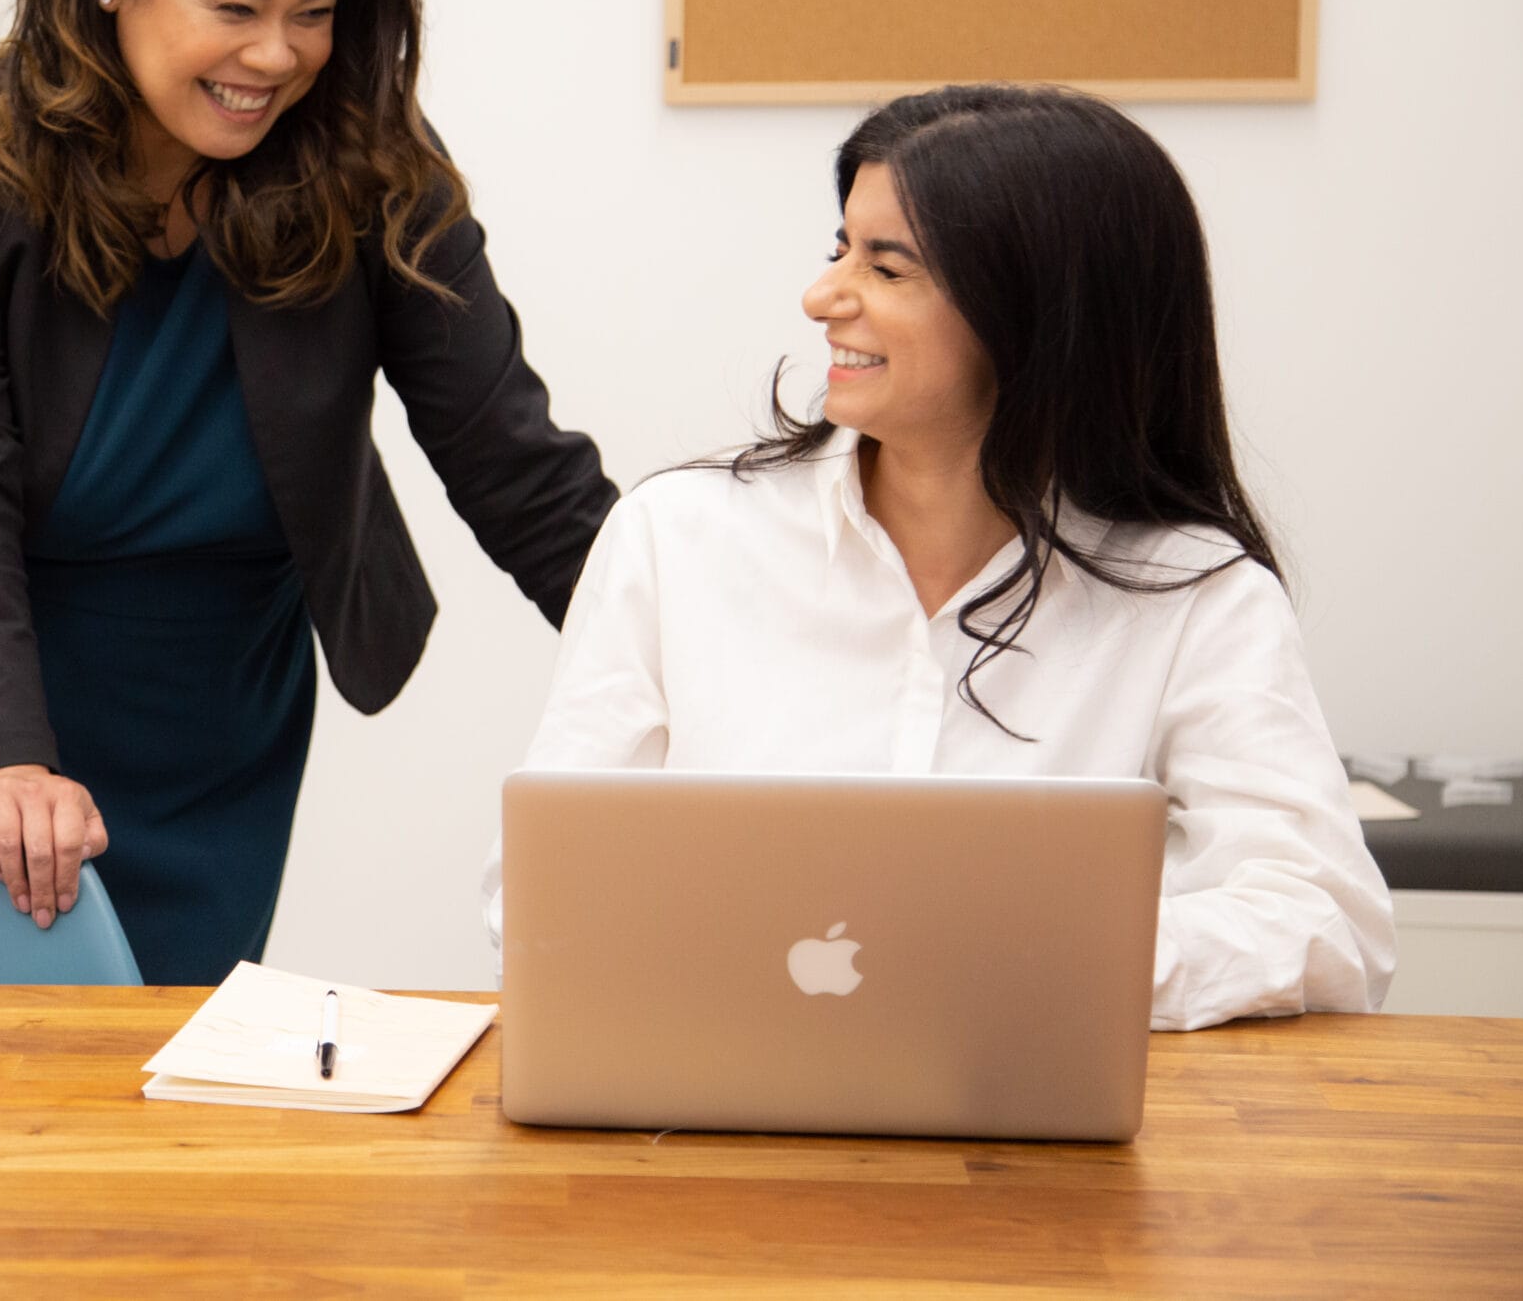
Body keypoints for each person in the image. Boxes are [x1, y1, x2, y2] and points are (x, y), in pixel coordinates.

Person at [0, 0, 616, 985]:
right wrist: (4, 754)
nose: (277, 56)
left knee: (173, 1075)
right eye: (235, 6)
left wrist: (696, 656)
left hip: (210, 697)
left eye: (314, 12)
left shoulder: (370, 166)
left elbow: (512, 460)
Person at [481, 83, 1393, 1031]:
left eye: (888, 266)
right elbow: (538, 891)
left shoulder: (1196, 594)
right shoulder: (677, 537)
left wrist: (1022, 971)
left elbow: (1325, 923)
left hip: (1036, 1145)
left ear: (1032, 314)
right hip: (715, 1121)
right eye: (840, 249)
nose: (822, 295)